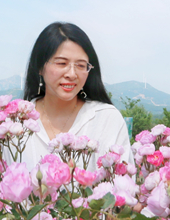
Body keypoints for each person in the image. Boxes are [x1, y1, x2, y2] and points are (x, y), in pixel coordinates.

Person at [13, 22, 132, 169]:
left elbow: (123, 186)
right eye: (62, 63)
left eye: (81, 65)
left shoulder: (106, 120)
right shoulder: (15, 125)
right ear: (39, 67)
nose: (72, 74)